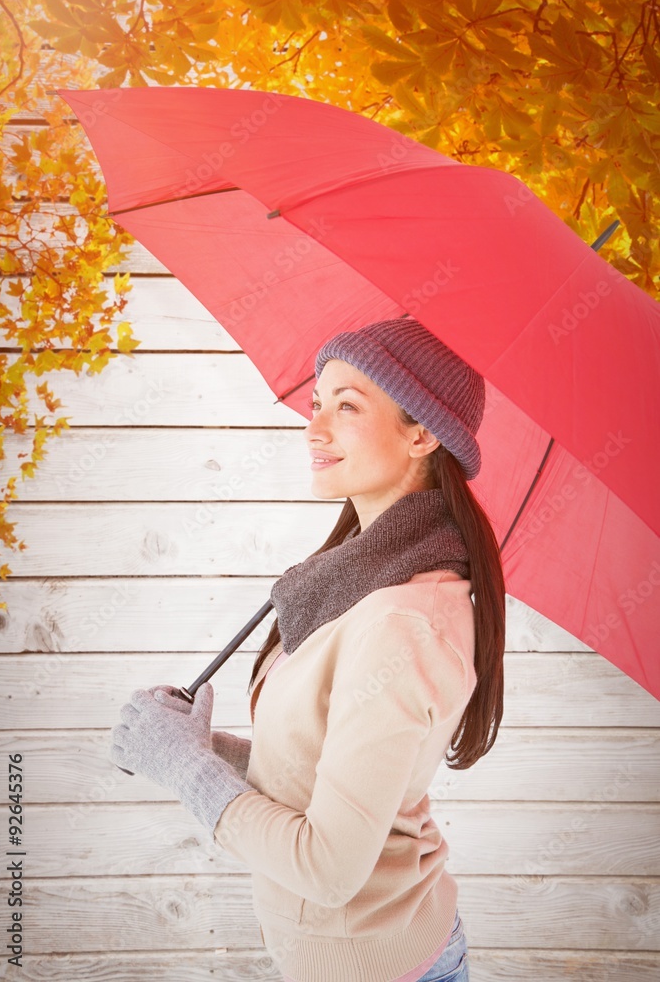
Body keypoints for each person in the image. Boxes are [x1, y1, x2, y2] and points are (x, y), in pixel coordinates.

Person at [111, 316, 506, 982]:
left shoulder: (399, 623)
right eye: (316, 403)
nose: (313, 429)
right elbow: (319, 768)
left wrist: (183, 768)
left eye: (346, 407)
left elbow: (327, 868)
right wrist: (205, 747)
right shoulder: (357, 579)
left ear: (422, 433)